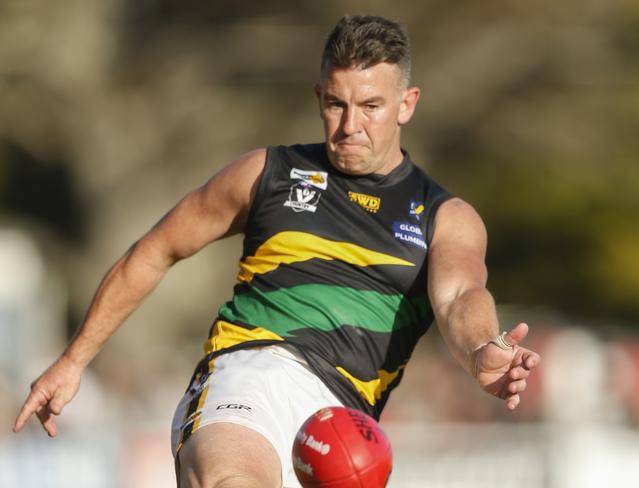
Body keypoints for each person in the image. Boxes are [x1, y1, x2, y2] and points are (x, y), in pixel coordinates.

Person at [14, 15, 541, 488]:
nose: (350, 125)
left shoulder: (443, 215)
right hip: (249, 375)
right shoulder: (267, 174)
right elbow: (155, 250)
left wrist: (481, 349)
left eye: (371, 106)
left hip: (345, 423)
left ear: (407, 104)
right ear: (318, 98)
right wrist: (74, 359)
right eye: (336, 104)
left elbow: (459, 296)